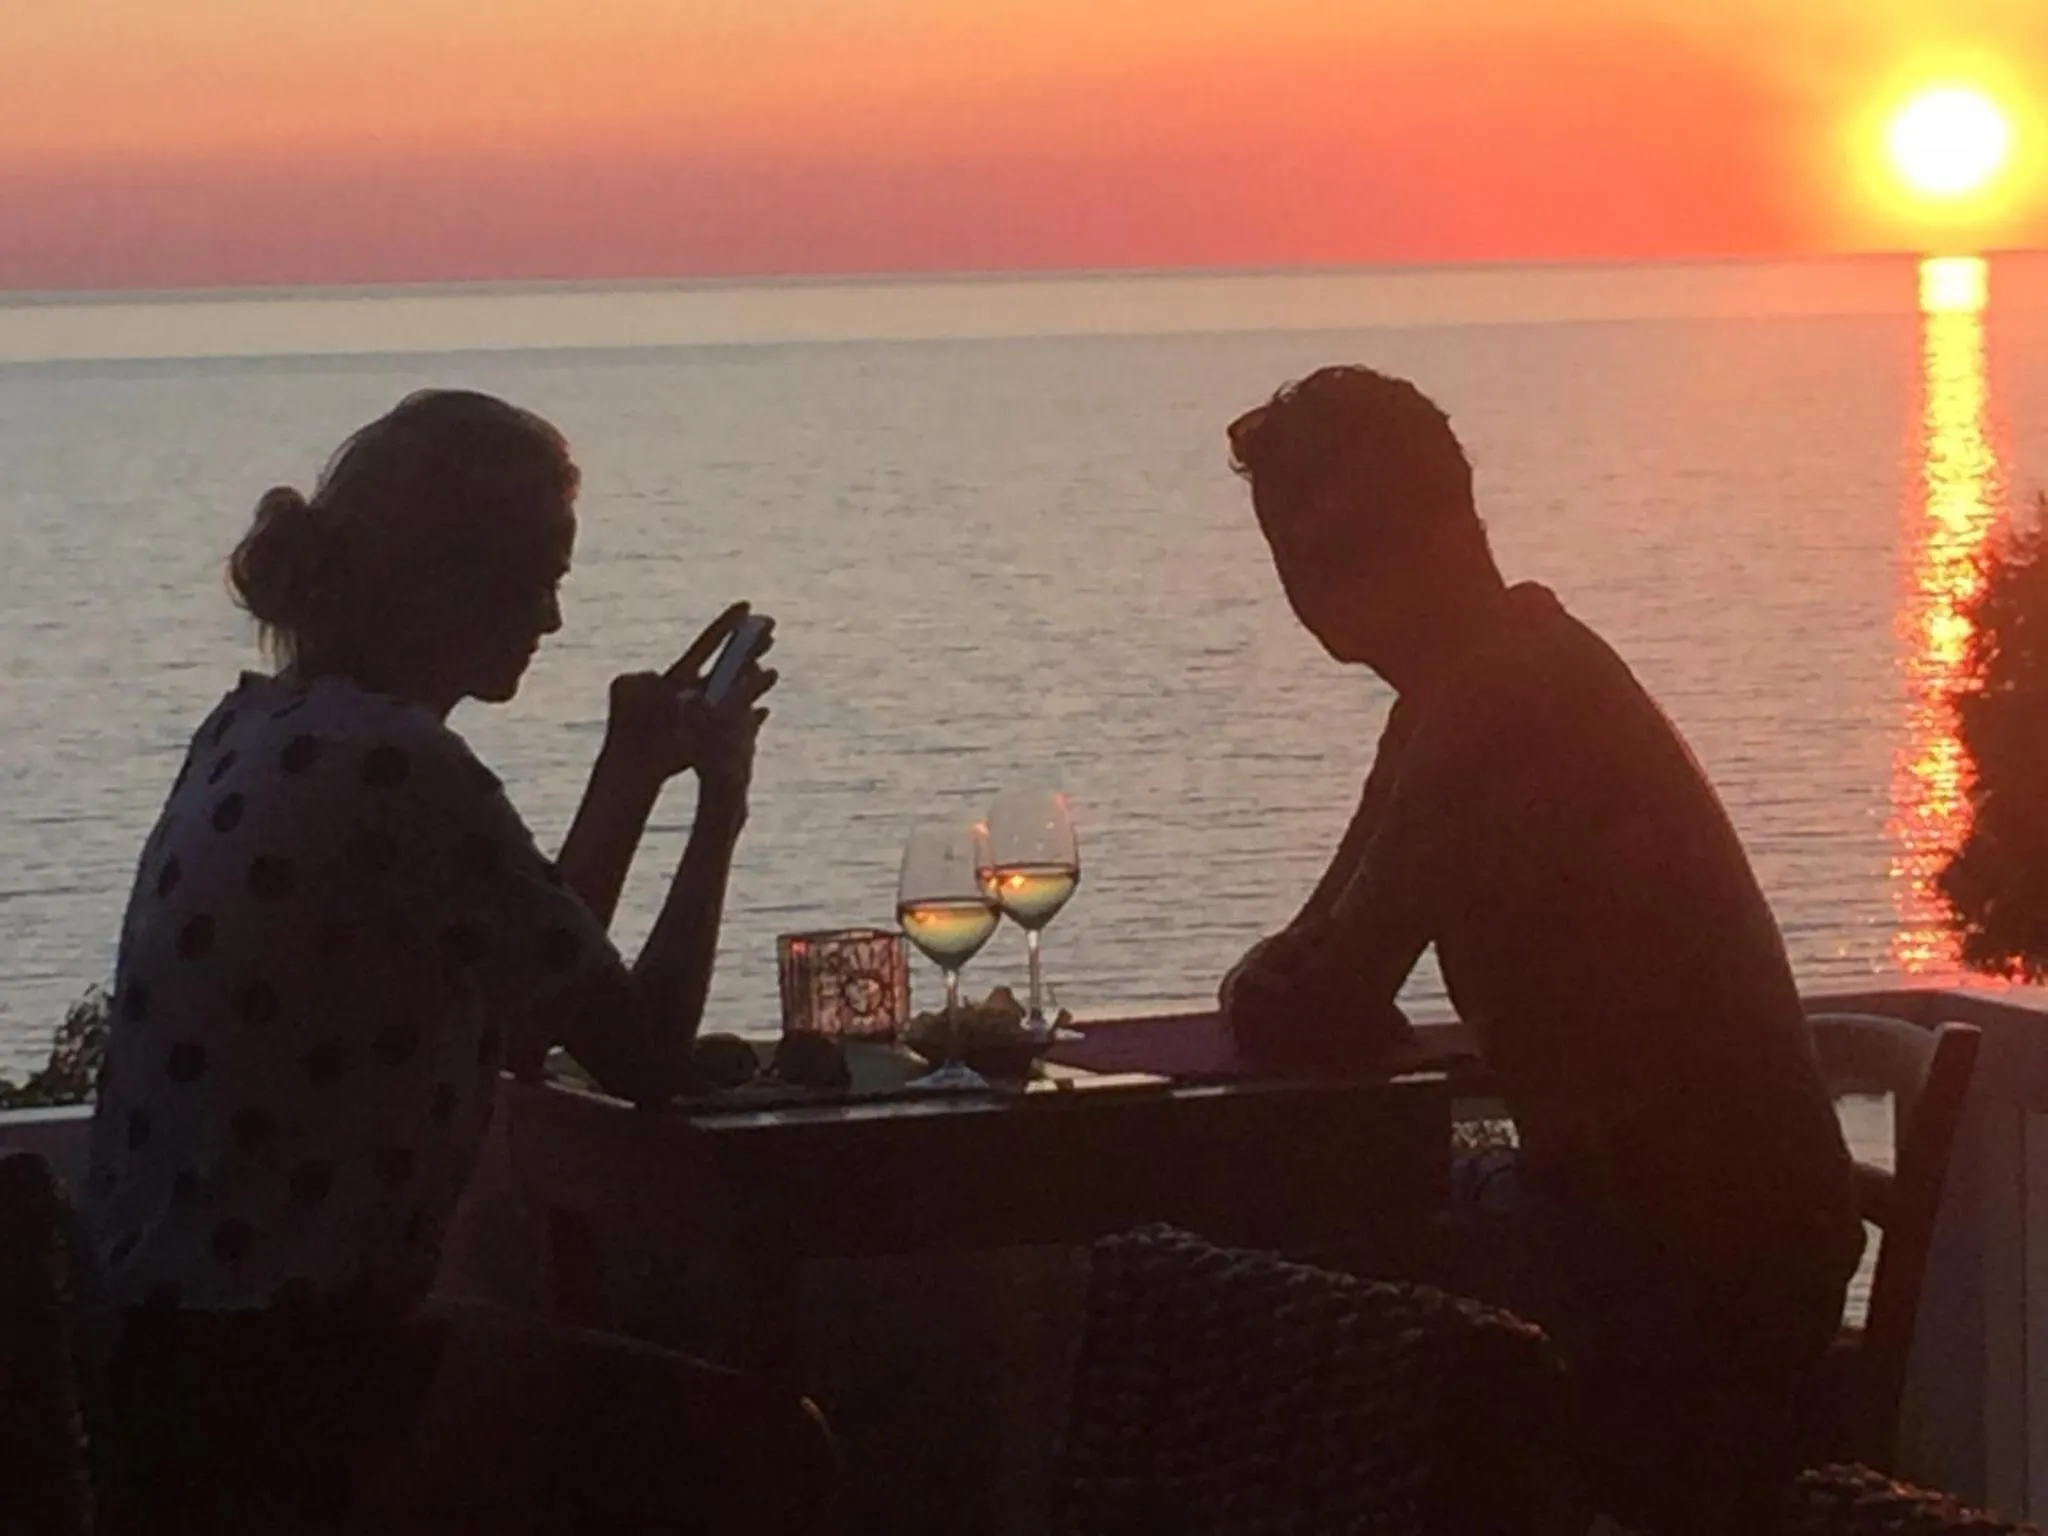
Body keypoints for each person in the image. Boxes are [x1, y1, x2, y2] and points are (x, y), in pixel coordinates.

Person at [78, 390, 829, 1532]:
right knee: (766, 1450)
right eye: (538, 575)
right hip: (294, 1387)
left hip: (165, 1366)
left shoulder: (260, 729)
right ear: (443, 578)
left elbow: (527, 1002)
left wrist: (627, 776)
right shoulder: (395, 768)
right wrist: (718, 804)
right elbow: (647, 1054)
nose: (554, 619)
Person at [1217, 365, 1864, 1532]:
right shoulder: (1460, 689)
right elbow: (1319, 954)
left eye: (1350, 539)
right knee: (1303, 1291)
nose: (1323, 584)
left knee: (1273, 1323)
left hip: (1690, 1261)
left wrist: (1289, 983)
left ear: (1452, 514)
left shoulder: (1497, 696)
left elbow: (1323, 987)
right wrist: (1294, 979)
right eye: (1299, 553)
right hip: (1671, 1227)